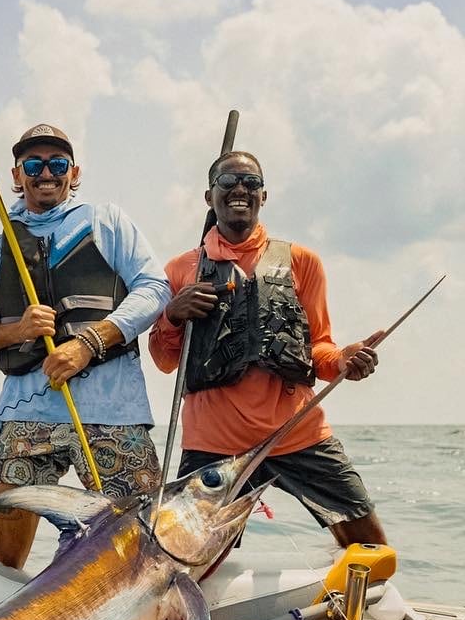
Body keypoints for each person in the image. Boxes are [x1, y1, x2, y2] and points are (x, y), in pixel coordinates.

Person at [0, 123, 171, 568]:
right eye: (33, 165)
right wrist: (15, 333)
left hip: (113, 415)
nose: (46, 173)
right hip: (26, 417)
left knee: (140, 556)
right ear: (17, 175)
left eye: (57, 164)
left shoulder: (108, 222)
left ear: (74, 172)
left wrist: (89, 341)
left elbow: (155, 289)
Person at [148, 150, 388, 548]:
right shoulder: (181, 270)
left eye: (251, 182)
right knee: (189, 559)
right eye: (228, 181)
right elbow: (163, 360)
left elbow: (320, 349)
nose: (239, 189)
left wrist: (345, 360)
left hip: (296, 432)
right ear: (209, 196)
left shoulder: (302, 262)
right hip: (213, 443)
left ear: (264, 195)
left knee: (370, 543)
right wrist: (172, 315)